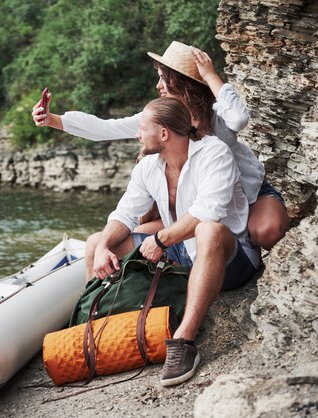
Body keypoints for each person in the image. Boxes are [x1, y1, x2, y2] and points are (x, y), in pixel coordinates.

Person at [32, 41, 289, 252]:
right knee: (130, 234)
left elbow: (240, 117)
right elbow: (106, 128)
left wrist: (210, 74)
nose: (158, 86)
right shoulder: (159, 119)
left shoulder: (216, 115)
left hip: (248, 194)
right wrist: (54, 120)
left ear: (182, 82)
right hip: (195, 207)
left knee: (265, 232)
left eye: (163, 79)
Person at [89, 96, 259, 386]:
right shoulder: (148, 167)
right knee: (96, 242)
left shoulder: (213, 153)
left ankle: (184, 342)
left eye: (142, 128)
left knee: (209, 229)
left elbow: (208, 212)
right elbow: (125, 213)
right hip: (180, 252)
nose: (137, 134)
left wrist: (160, 238)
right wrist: (104, 246)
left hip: (229, 256)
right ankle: (93, 333)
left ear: (164, 133)